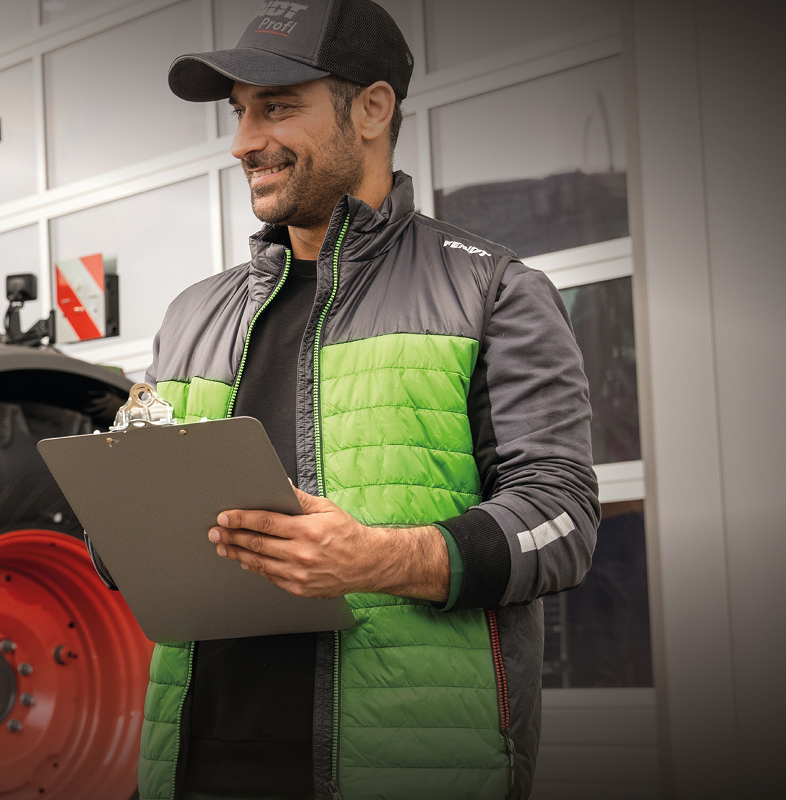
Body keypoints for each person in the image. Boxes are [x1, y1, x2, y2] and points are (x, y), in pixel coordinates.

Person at [143, 1, 600, 798]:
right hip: (195, 765)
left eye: (278, 107)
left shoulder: (492, 291)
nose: (246, 141)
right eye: (240, 112)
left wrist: (377, 560)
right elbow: (128, 537)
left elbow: (560, 520)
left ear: (373, 108)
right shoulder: (192, 315)